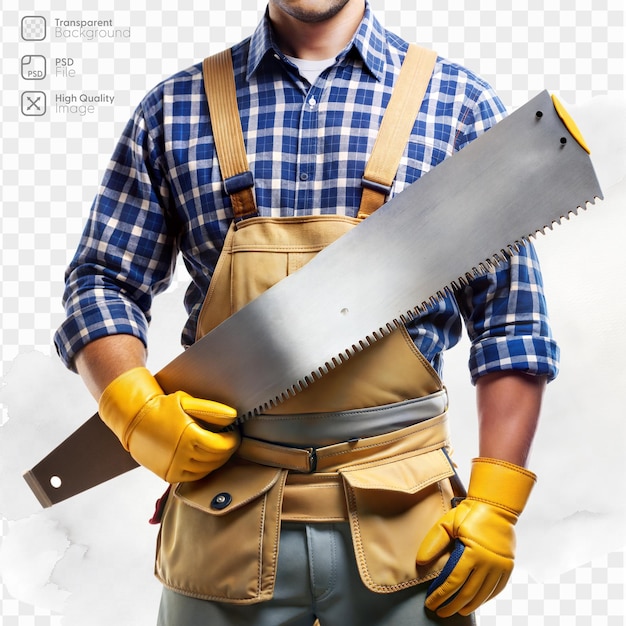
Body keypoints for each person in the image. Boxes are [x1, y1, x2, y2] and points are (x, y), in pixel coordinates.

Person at [54, 1, 559, 624]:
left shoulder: (458, 104)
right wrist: (131, 407)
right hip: (223, 522)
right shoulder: (173, 108)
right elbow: (103, 280)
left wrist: (499, 501)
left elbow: (513, 325)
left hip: (410, 530)